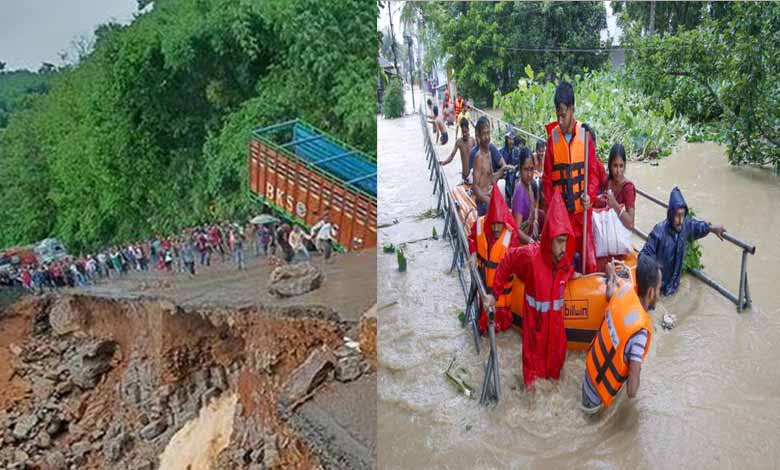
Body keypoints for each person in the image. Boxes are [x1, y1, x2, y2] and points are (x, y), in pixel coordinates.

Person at [486, 190, 575, 388]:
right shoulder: (531, 257)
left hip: (556, 340)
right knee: (533, 389)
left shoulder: (564, 262)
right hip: (535, 338)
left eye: (565, 241)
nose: (563, 247)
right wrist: (494, 294)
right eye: (560, 241)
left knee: (555, 387)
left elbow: (570, 272)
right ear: (550, 238)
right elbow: (507, 260)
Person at [581, 255, 663, 414]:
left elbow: (608, 293)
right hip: (596, 402)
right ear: (651, 292)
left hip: (588, 377)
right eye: (659, 288)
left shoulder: (624, 291)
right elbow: (632, 392)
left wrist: (611, 275)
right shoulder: (640, 333)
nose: (659, 294)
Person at [542, 81, 601, 273]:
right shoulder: (553, 139)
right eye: (557, 114)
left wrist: (590, 197)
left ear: (572, 109)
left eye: (563, 114)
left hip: (582, 214)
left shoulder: (585, 137)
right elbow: (547, 181)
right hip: (562, 217)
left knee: (589, 262)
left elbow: (593, 174)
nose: (560, 119)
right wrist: (554, 211)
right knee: (561, 264)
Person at [639, 187, 726, 296]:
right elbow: (644, 256)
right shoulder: (659, 232)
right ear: (671, 215)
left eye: (683, 215)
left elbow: (698, 227)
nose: (680, 221)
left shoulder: (685, 225)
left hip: (674, 285)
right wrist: (655, 275)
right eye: (677, 216)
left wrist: (711, 228)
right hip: (659, 288)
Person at [468, 184, 521, 333]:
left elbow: (509, 267)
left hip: (502, 303)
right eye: (493, 224)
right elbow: (471, 238)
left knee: (502, 333)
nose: (496, 228)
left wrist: (495, 294)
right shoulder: (480, 225)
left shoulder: (512, 235)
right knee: (484, 329)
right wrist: (473, 253)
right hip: (484, 291)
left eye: (499, 224)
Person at [470, 116, 512, 216]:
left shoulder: (489, 153)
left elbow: (491, 178)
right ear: (478, 136)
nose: (487, 137)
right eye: (484, 133)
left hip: (491, 196)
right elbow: (475, 187)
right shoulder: (478, 157)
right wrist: (488, 201)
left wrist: (502, 170)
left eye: (488, 133)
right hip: (483, 204)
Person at [594, 143, 636, 230]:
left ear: (624, 166)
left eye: (621, 166)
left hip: (619, 237)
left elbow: (631, 224)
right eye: (615, 166)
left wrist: (615, 205)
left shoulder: (628, 188)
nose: (618, 171)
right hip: (605, 232)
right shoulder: (607, 182)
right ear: (610, 165)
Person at [511, 147, 545, 244]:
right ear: (520, 168)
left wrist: (535, 221)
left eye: (531, 169)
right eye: (526, 169)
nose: (529, 174)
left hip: (528, 238)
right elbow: (517, 230)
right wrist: (530, 241)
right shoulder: (520, 192)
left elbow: (534, 206)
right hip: (521, 245)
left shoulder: (530, 185)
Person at [439, 117, 476, 185]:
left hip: (473, 176)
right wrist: (444, 162)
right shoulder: (459, 142)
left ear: (468, 130)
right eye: (462, 132)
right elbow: (451, 156)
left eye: (465, 131)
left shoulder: (473, 140)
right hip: (464, 176)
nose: (464, 134)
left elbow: (479, 155)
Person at [501, 130, 520, 203]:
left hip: (515, 174)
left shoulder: (517, 151)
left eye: (512, 139)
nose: (511, 141)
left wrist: (515, 168)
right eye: (509, 139)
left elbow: (519, 163)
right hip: (505, 175)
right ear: (506, 139)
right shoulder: (502, 151)